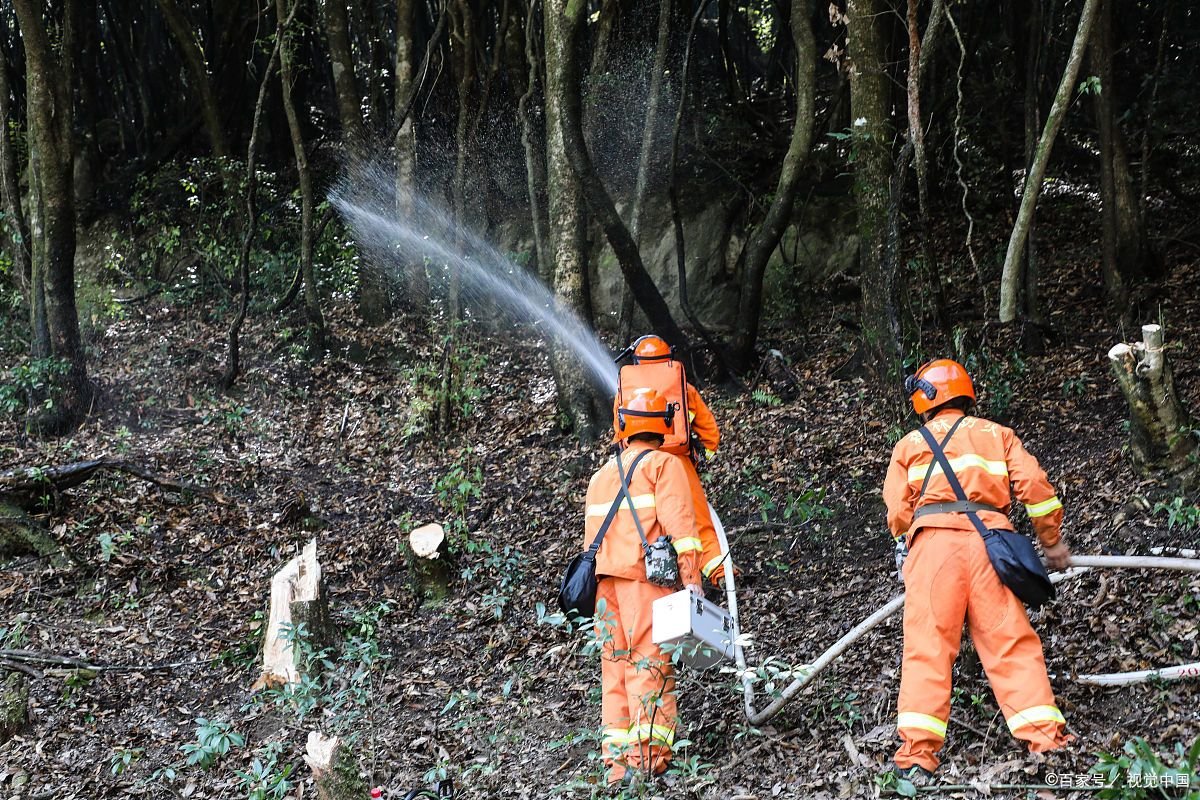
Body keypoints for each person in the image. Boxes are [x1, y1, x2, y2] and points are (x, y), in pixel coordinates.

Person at [883, 358, 1074, 782]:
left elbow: (898, 513)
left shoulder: (908, 445)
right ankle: (1046, 738)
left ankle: (917, 755)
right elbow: (1036, 490)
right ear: (967, 395)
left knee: (928, 648)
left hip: (933, 550)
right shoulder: (997, 434)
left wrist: (909, 532)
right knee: (1010, 643)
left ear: (924, 400)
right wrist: (1051, 540)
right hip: (994, 546)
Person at [584, 387, 704, 790]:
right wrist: (693, 582)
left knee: (614, 670)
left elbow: (591, 544)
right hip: (644, 583)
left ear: (623, 424)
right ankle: (647, 760)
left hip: (605, 590)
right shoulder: (663, 466)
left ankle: (616, 766)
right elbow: (683, 533)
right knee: (648, 665)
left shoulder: (602, 475)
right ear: (664, 424)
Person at [614, 334, 734, 588]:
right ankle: (720, 573)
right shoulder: (683, 389)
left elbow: (619, 437)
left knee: (647, 524)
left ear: (636, 361)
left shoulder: (624, 394)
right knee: (697, 522)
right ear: (668, 359)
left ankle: (664, 579)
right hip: (680, 464)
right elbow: (711, 432)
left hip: (639, 468)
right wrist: (697, 460)